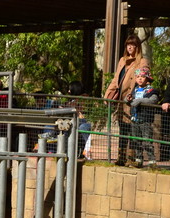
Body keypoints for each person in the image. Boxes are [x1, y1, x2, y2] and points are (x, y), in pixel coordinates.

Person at [103, 34, 149, 166]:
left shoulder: (142, 61)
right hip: (121, 102)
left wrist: (134, 96)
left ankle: (132, 158)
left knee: (133, 130)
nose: (130, 47)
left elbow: (143, 81)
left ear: (137, 47)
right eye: (128, 44)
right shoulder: (122, 60)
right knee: (123, 130)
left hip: (133, 101)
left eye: (133, 44)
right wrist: (108, 95)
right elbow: (116, 79)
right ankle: (121, 157)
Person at [128, 66, 159, 167]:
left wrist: (140, 101)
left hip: (145, 120)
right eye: (138, 77)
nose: (140, 79)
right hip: (134, 119)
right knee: (136, 141)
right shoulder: (135, 90)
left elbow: (153, 100)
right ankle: (138, 160)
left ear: (147, 78)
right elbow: (129, 101)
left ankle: (152, 161)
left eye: (142, 77)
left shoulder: (151, 91)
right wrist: (127, 99)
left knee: (147, 141)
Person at [68, 80, 92, 160]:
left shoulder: (84, 99)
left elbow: (82, 115)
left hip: (87, 121)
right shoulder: (72, 100)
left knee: (81, 126)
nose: (68, 91)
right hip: (77, 121)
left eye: (70, 89)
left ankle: (87, 150)